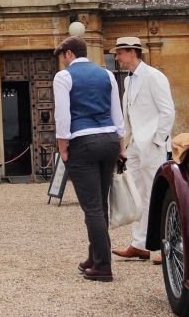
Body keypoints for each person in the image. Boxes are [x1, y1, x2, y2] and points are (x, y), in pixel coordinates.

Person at [52, 36, 123, 282]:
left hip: (83, 142)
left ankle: (103, 266)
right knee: (100, 204)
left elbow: (62, 116)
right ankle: (94, 257)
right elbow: (117, 112)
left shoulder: (64, 77)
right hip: (110, 140)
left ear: (69, 54)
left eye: (63, 56)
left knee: (91, 207)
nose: (62, 61)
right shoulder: (107, 75)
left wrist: (63, 147)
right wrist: (120, 144)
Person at [111, 35, 175, 263]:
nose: (116, 57)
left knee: (155, 195)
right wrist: (125, 143)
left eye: (119, 53)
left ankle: (160, 249)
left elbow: (168, 111)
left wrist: (158, 141)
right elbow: (129, 113)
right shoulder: (129, 80)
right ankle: (139, 245)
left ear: (132, 52)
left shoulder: (154, 76)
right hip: (136, 145)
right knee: (137, 194)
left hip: (153, 146)